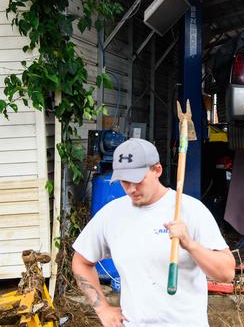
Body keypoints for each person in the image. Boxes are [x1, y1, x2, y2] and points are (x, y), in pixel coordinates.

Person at [72, 138, 235, 327]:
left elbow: (226, 273)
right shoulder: (111, 215)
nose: (131, 189)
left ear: (157, 170)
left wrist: (190, 245)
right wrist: (103, 309)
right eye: (125, 181)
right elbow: (81, 261)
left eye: (138, 180)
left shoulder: (190, 210)